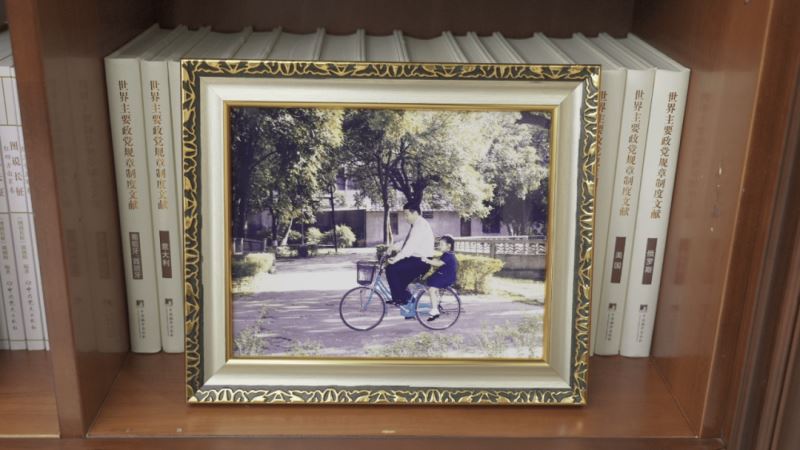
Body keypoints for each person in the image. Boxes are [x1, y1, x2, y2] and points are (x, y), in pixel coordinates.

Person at [385, 202, 434, 306]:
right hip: (417, 259)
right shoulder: (417, 224)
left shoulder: (420, 226)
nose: (405, 218)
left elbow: (409, 248)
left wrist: (396, 258)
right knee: (396, 276)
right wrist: (393, 247)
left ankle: (401, 299)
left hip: (421, 261)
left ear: (415, 213)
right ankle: (405, 299)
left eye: (407, 215)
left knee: (391, 269)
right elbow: (407, 242)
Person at [422, 235, 458, 321]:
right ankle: (436, 304)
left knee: (431, 289)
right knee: (431, 282)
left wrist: (427, 260)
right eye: (439, 244)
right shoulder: (447, 254)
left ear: (449, 245)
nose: (439, 246)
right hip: (443, 275)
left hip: (446, 277)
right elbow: (438, 261)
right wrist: (428, 259)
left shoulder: (448, 255)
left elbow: (438, 263)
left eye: (441, 244)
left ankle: (435, 310)